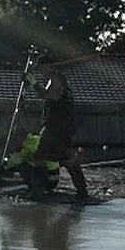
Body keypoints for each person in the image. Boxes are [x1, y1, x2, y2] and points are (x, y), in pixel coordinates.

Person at [34, 67, 90, 202]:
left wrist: (34, 85)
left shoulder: (56, 81)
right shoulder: (64, 83)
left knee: (40, 157)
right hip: (65, 128)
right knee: (69, 160)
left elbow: (51, 96)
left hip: (55, 128)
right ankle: (82, 191)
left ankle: (38, 190)